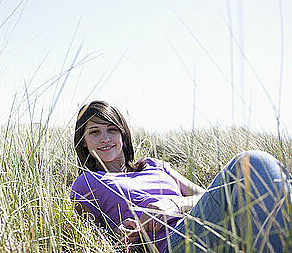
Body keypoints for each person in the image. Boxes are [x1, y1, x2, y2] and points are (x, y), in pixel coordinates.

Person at [70, 101, 292, 252]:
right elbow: (88, 236)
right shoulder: (87, 183)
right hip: (174, 242)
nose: (105, 138)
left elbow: (210, 197)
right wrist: (121, 237)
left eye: (112, 129)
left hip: (206, 224)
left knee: (256, 168)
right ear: (84, 141)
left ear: (123, 134)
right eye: (94, 132)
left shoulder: (153, 166)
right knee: (252, 161)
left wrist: (174, 205)